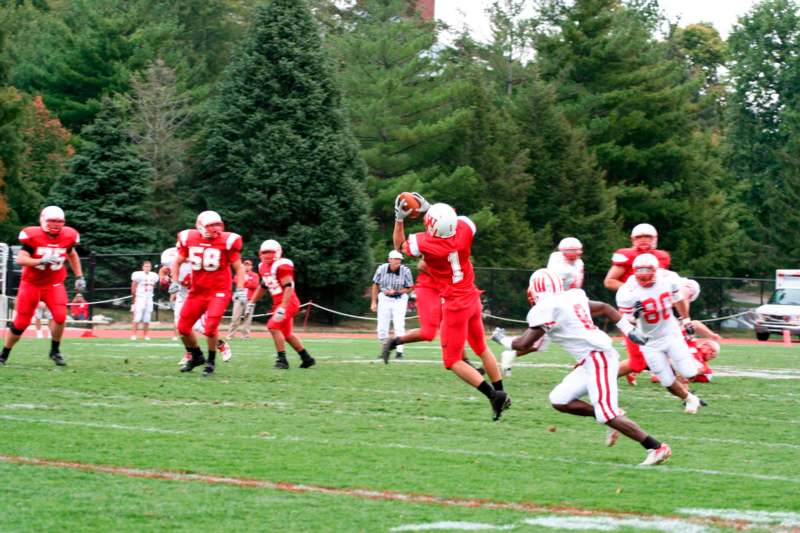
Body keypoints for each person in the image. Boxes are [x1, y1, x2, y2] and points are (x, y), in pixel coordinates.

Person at [491, 268, 671, 466]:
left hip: (598, 358)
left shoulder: (547, 307)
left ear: (534, 290)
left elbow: (524, 343)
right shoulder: (570, 298)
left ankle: (655, 447)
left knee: (606, 414)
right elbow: (604, 307)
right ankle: (615, 416)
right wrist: (629, 330)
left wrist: (502, 339)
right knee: (559, 400)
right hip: (591, 360)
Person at [385, 195, 510, 421]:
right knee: (481, 348)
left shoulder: (426, 242)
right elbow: (456, 220)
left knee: (452, 361)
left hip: (455, 304)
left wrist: (400, 218)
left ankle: (493, 395)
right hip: (472, 297)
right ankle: (501, 390)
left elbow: (398, 246)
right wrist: (431, 208)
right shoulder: (464, 229)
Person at [616, 254, 704, 413]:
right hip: (649, 342)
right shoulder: (627, 292)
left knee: (690, 373)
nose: (643, 278)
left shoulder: (667, 281)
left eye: (647, 273)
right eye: (640, 274)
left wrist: (686, 320)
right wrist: (635, 317)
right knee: (667, 382)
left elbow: (678, 300)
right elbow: (627, 325)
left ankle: (691, 364)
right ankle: (690, 399)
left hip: (670, 333)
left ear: (655, 271)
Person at [1, 206, 85, 367]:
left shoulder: (68, 236)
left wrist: (79, 275)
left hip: (54, 284)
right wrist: (39, 261)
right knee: (21, 323)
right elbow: (21, 259)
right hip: (31, 284)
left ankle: (55, 351)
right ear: (43, 220)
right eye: (52, 220)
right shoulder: (33, 235)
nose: (56, 224)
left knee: (60, 317)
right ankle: (4, 353)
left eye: (59, 221)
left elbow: (72, 254)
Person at [169, 211, 245, 377]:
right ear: (201, 226)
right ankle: (196, 356)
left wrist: (240, 289)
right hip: (197, 291)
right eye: (212, 225)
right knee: (182, 327)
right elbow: (177, 262)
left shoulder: (228, 241)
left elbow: (239, 267)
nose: (217, 229)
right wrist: (174, 281)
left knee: (210, 329)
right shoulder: (189, 238)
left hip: (219, 291)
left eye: (218, 225)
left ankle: (210, 362)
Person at [603, 224, 671, 386]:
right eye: (640, 237)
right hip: (633, 312)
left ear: (655, 239)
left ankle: (676, 382)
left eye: (648, 237)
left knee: (668, 345)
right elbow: (609, 281)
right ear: (633, 240)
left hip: (655, 311)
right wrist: (636, 292)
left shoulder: (661, 257)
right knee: (637, 363)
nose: (644, 241)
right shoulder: (626, 256)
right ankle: (597, 377)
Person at [248, 239, 315, 370]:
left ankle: (282, 360)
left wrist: (283, 307)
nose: (267, 255)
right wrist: (251, 302)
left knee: (273, 326)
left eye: (270, 252)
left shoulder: (282, 265)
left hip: (288, 301)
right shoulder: (262, 267)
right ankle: (306, 358)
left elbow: (289, 287)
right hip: (278, 303)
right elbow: (263, 286)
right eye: (264, 252)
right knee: (287, 334)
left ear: (277, 252)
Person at [371, 250, 413, 359]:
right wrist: (373, 302)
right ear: (389, 259)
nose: (398, 261)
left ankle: (400, 351)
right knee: (381, 326)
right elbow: (375, 285)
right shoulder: (381, 269)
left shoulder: (405, 271)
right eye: (395, 259)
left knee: (399, 324)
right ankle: (384, 350)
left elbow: (409, 287)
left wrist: (397, 292)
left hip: (399, 299)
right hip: (384, 298)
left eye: (399, 259)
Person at [227, 259, 259, 340]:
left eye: (248, 265)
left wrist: (244, 282)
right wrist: (247, 282)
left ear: (251, 267)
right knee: (235, 317)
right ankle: (230, 335)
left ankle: (245, 336)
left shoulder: (255, 275)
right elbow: (236, 281)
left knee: (248, 318)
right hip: (239, 298)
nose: (246, 266)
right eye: (245, 265)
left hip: (249, 299)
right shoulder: (239, 273)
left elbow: (255, 285)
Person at [130, 260, 159, 341]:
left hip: (149, 298)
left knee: (147, 318)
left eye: (149, 266)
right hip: (140, 297)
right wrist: (134, 299)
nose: (147, 268)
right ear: (142, 267)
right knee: (137, 317)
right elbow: (133, 287)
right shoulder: (138, 275)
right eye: (146, 266)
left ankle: (145, 335)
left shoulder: (154, 276)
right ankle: (134, 334)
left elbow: (154, 286)